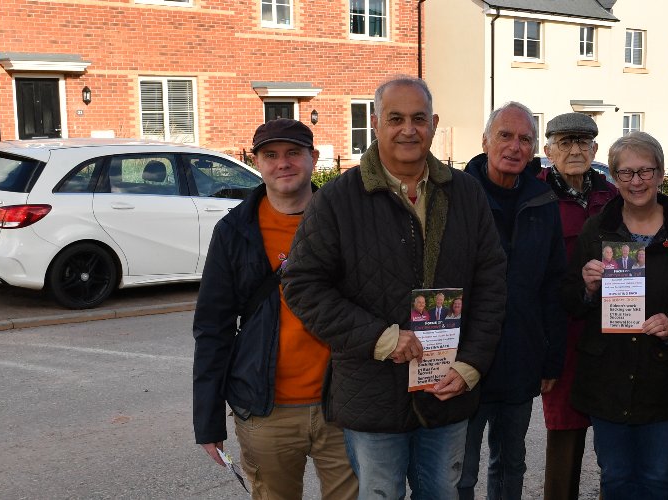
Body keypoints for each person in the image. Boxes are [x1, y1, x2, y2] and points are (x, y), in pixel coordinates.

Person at [281, 76, 508, 499]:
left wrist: (471, 364)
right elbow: (302, 286)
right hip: (372, 396)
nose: (409, 129)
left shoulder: (466, 194)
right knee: (380, 494)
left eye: (419, 118)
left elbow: (492, 284)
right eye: (396, 118)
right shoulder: (337, 199)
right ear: (375, 123)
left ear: (434, 124)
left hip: (447, 390)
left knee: (443, 491)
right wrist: (381, 338)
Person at [192, 118, 358, 500]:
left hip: (343, 404)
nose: (283, 163)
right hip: (266, 410)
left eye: (293, 153)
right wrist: (208, 419)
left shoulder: (346, 223)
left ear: (313, 158)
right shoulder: (235, 231)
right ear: (257, 162)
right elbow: (213, 327)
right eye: (271, 155)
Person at [564, 132, 668, 500]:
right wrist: (586, 288)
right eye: (626, 173)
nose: (636, 182)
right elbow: (568, 301)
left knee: (657, 477)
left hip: (665, 377)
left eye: (646, 171)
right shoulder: (596, 229)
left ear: (662, 174)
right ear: (614, 178)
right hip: (608, 377)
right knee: (615, 478)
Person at [459, 102, 569, 500]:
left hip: (521, 358)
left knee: (511, 464)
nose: (515, 146)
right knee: (461, 469)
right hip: (466, 361)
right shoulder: (457, 197)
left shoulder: (543, 202)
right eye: (505, 135)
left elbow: (553, 287)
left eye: (525, 139)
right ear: (485, 140)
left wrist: (551, 357)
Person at [536, 111, 618, 500]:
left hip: (610, 332)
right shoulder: (535, 196)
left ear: (595, 149)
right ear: (548, 149)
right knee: (564, 436)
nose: (575, 150)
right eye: (565, 143)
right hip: (560, 332)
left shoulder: (612, 197)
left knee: (613, 435)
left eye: (583, 143)